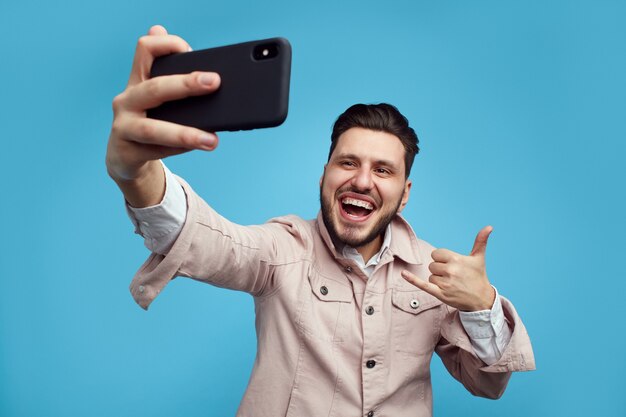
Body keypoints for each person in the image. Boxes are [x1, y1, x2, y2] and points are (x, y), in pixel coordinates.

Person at [107, 25, 535, 417]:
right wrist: (137, 174)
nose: (362, 180)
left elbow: (486, 383)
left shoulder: (436, 275)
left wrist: (482, 305)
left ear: (404, 196)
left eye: (383, 171)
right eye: (348, 162)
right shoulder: (282, 249)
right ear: (324, 176)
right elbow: (207, 238)